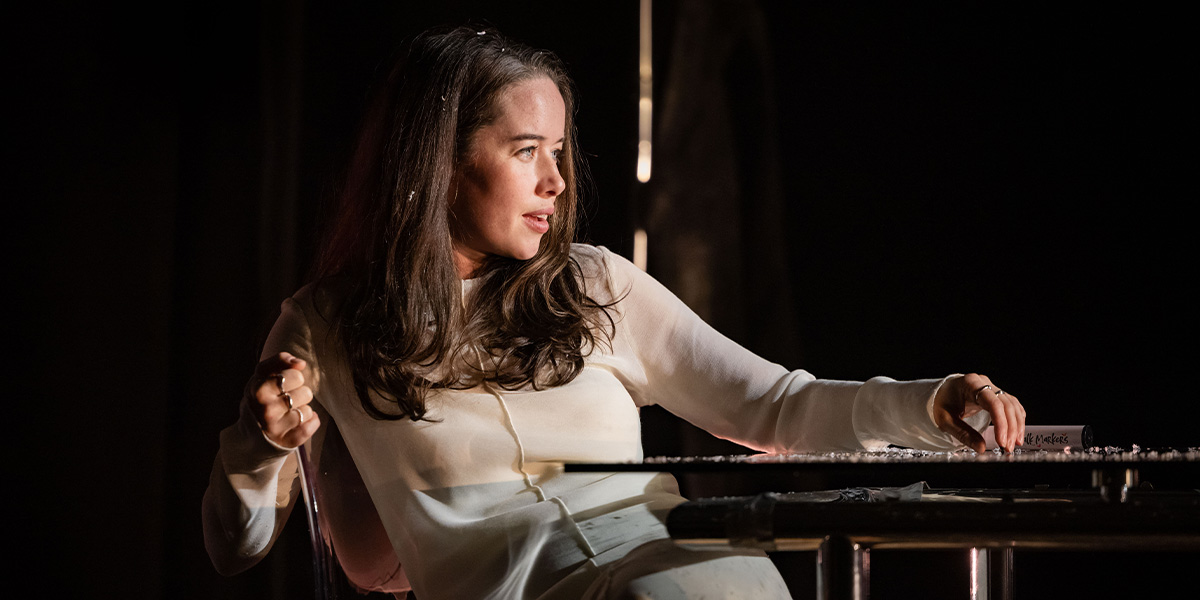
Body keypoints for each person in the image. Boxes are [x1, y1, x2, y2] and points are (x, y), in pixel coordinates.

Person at [202, 25, 1026, 600]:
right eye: (527, 152)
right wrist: (258, 443)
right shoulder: (328, 322)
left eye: (559, 152)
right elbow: (233, 548)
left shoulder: (594, 283)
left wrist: (928, 403)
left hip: (681, 572)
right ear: (443, 162)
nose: (556, 183)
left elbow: (778, 406)